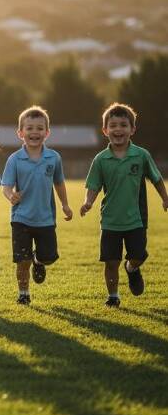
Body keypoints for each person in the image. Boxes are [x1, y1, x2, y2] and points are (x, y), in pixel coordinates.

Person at [80, 103, 168, 307]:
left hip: (136, 219)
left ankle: (132, 268)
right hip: (110, 220)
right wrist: (88, 202)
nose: (118, 130)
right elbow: (93, 185)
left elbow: (156, 178)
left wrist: (165, 197)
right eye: (113, 125)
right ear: (105, 130)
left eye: (123, 125)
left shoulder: (141, 155)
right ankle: (113, 296)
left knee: (138, 256)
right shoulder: (101, 159)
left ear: (132, 129)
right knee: (111, 262)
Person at [1, 106, 72, 305]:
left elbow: (59, 182)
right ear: (20, 133)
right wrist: (10, 196)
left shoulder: (54, 158)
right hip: (21, 218)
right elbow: (6, 186)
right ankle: (23, 293)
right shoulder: (14, 159)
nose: (34, 132)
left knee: (49, 257)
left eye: (40, 128)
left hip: (46, 218)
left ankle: (39, 261)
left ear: (47, 133)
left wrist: (65, 205)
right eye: (29, 128)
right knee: (22, 260)